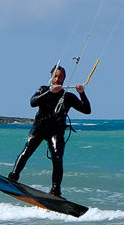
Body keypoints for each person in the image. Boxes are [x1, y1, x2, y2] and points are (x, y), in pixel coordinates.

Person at [8, 65, 90, 196]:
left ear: (64, 79)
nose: (57, 79)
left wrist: (82, 93)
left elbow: (87, 110)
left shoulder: (68, 96)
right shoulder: (43, 89)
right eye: (55, 76)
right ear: (51, 77)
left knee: (58, 158)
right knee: (27, 150)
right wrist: (50, 92)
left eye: (60, 77)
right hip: (40, 126)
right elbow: (32, 102)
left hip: (56, 130)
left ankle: (55, 191)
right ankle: (13, 177)